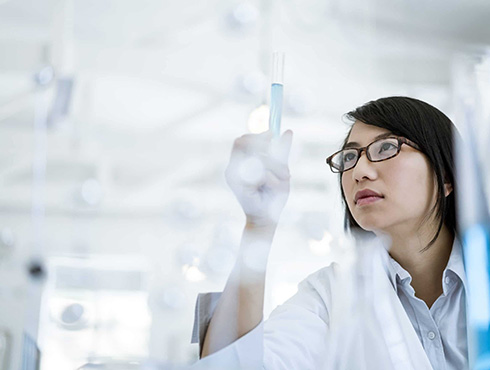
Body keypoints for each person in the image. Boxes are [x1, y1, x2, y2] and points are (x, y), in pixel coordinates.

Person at [190, 97, 467, 370]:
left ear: (446, 176)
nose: (359, 171)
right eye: (349, 157)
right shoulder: (329, 296)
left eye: (386, 148)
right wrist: (258, 226)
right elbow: (232, 365)